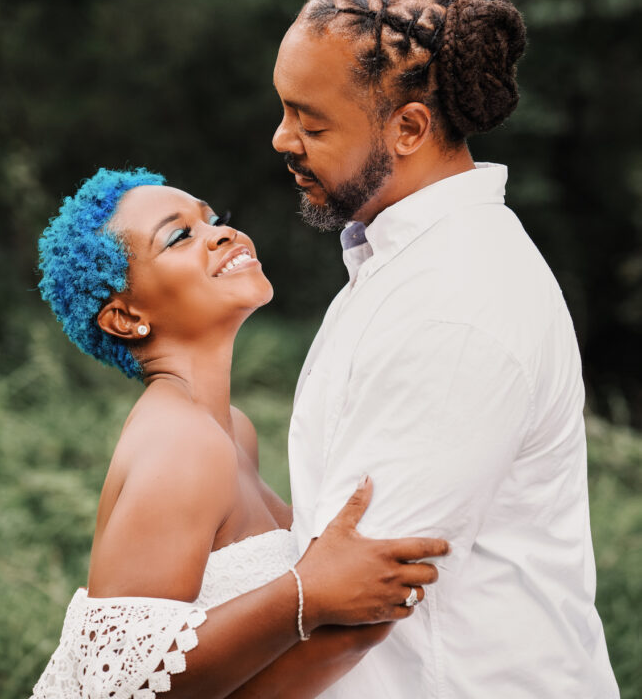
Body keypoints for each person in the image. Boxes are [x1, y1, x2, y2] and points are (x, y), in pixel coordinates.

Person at [272, 0, 619, 698]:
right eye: (283, 112)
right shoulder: (398, 264)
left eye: (311, 122)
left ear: (407, 128)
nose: (281, 140)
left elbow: (360, 601)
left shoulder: (456, 303)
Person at [30, 166, 448, 699]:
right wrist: (307, 594)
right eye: (180, 236)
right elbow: (116, 686)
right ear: (125, 316)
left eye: (214, 219)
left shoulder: (232, 430)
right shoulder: (182, 443)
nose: (222, 233)